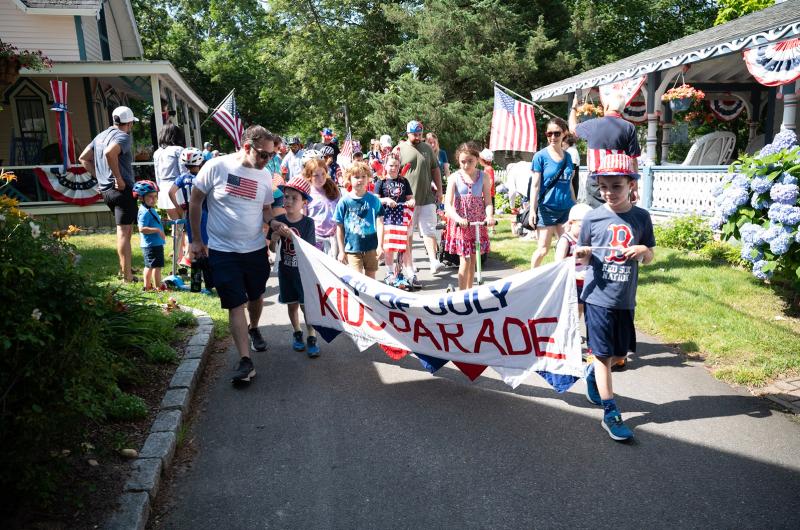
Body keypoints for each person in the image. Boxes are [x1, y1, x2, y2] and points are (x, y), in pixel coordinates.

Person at [574, 153, 655, 441]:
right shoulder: (592, 218)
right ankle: (610, 412)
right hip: (597, 297)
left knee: (619, 355)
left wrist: (642, 251)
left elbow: (650, 258)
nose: (608, 192)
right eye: (603, 186)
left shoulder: (641, 217)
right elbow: (581, 258)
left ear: (631, 184)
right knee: (603, 355)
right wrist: (582, 254)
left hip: (624, 299)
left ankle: (591, 371)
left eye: (616, 186)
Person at [189, 125, 278, 385]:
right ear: (247, 146)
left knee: (256, 296)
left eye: (271, 156)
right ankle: (244, 360)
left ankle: (254, 327)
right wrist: (196, 239)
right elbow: (195, 201)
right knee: (235, 303)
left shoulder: (264, 176)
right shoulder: (216, 167)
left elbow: (266, 211)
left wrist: (274, 225)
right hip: (222, 250)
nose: (267, 160)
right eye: (263, 155)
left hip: (255, 250)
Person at [79, 105, 139, 283]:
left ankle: (125, 268)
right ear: (129, 123)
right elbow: (109, 153)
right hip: (121, 190)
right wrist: (118, 179)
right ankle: (127, 276)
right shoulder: (123, 136)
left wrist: (101, 177)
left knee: (125, 231)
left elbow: (83, 158)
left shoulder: (100, 136)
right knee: (124, 231)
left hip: (106, 191)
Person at [268, 177, 320, 357]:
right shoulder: (278, 220)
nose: (288, 201)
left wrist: (291, 236)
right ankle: (297, 332)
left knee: (307, 306)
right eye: (286, 197)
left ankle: (311, 335)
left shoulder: (308, 223)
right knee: (291, 305)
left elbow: (309, 249)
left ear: (304, 202)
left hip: (303, 273)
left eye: (294, 198)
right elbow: (272, 249)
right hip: (285, 271)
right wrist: (274, 239)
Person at [569, 91, 641, 207]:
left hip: (596, 180)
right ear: (621, 109)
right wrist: (635, 188)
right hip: (620, 180)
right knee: (617, 215)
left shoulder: (592, 125)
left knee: (597, 216)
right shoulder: (629, 127)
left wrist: (574, 107)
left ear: (606, 106)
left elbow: (572, 128)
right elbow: (633, 160)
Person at [443, 141, 495, 290]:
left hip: (477, 223)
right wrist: (459, 219)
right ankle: (461, 292)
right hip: (461, 223)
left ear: (477, 160)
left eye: (470, 161)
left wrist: (489, 216)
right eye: (463, 162)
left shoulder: (484, 177)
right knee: (465, 259)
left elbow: (488, 202)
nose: (466, 165)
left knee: (473, 259)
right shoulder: (454, 177)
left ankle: (469, 292)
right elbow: (448, 205)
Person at [398, 120, 446, 283]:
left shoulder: (427, 148)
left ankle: (433, 261)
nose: (418, 137)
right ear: (408, 133)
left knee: (429, 230)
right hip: (406, 200)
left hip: (426, 197)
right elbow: (391, 172)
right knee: (408, 234)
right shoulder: (400, 149)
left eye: (420, 134)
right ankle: (409, 265)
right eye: (414, 134)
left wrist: (439, 190)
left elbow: (435, 169)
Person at [530, 117, 577, 269]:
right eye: (549, 134)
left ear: (564, 134)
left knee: (566, 247)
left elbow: (569, 184)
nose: (552, 137)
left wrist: (575, 207)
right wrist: (532, 210)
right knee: (543, 249)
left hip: (566, 209)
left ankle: (559, 280)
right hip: (547, 209)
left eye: (556, 133)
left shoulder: (569, 157)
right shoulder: (540, 156)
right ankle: (532, 278)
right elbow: (535, 185)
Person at [169, 147, 212, 289]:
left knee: (193, 247)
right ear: (200, 162)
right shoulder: (202, 178)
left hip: (188, 214)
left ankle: (195, 283)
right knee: (205, 248)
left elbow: (171, 192)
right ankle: (209, 283)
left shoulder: (182, 178)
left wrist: (179, 207)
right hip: (203, 213)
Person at [334, 162, 385, 279]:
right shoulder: (344, 201)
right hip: (352, 248)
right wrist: (341, 251)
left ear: (368, 179)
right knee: (357, 280)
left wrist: (380, 246)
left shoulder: (374, 200)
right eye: (356, 177)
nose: (360, 180)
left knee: (371, 279)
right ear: (349, 179)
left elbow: (380, 223)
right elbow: (339, 227)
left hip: (371, 247)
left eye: (363, 177)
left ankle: (370, 298)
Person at [375, 156, 414, 287]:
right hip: (387, 218)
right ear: (385, 166)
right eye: (391, 165)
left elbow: (411, 198)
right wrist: (386, 200)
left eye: (397, 166)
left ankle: (410, 272)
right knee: (389, 247)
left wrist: (410, 202)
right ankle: (390, 272)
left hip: (402, 217)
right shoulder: (381, 182)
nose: (394, 168)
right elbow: (375, 200)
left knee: (405, 246)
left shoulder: (404, 181)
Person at [555, 203, 592, 319]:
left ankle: (576, 331)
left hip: (585, 280)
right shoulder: (566, 240)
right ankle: (569, 331)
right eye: (582, 226)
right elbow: (559, 263)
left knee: (582, 308)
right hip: (571, 280)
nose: (586, 230)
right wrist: (575, 273)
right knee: (571, 308)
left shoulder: (588, 240)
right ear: (571, 223)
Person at [304, 156, 340, 258]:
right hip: (315, 238)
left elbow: (339, 212)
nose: (321, 178)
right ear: (309, 176)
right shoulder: (307, 193)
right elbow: (304, 217)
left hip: (333, 237)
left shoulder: (333, 189)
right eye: (316, 175)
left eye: (323, 174)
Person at [133, 180, 166, 292]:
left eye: (155, 196)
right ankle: (157, 287)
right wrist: (157, 230)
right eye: (150, 197)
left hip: (155, 243)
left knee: (152, 266)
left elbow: (152, 221)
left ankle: (148, 286)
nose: (154, 199)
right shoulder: (145, 212)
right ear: (141, 198)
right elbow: (141, 229)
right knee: (154, 267)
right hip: (151, 245)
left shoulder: (149, 209)